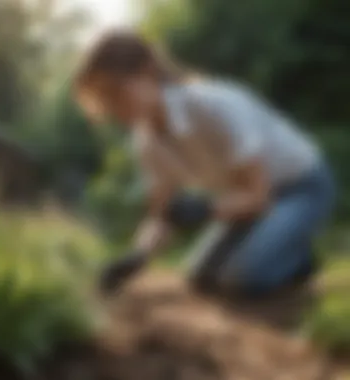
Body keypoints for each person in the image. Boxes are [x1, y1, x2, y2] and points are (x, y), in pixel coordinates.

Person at [74, 30, 336, 298]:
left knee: (244, 277)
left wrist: (204, 209)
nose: (112, 106)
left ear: (147, 71)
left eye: (116, 91)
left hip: (301, 187)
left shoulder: (211, 105)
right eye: (103, 98)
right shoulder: (146, 142)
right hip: (244, 202)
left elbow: (258, 196)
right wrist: (135, 258)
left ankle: (298, 256)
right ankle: (276, 243)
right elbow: (161, 215)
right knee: (200, 278)